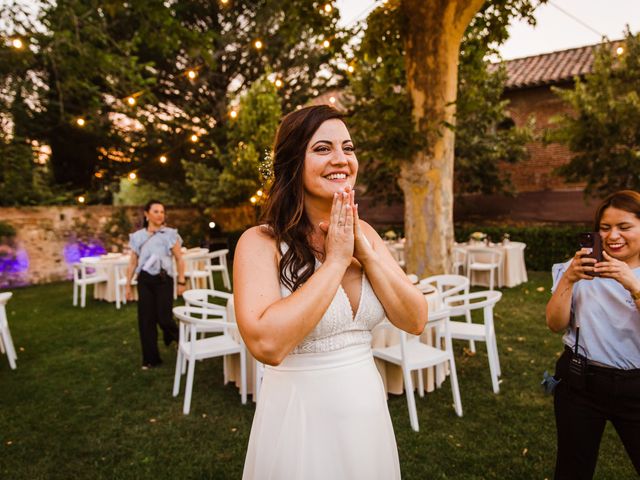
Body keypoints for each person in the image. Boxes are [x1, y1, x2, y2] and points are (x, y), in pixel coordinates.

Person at [234, 105, 428, 479]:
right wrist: (337, 261)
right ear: (293, 162)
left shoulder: (366, 233)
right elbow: (267, 345)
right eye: (322, 148)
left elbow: (416, 318)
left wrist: (364, 252)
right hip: (300, 424)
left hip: (368, 418)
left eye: (348, 148)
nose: (341, 159)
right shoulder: (260, 242)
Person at [546, 190, 640, 479]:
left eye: (624, 227)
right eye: (605, 227)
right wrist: (569, 279)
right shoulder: (574, 269)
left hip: (636, 388)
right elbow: (554, 323)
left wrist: (631, 284)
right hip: (581, 385)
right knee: (573, 470)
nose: (613, 236)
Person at [125, 200, 187, 369]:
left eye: (162, 211)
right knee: (146, 320)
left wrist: (182, 281)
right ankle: (150, 359)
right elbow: (132, 263)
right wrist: (127, 285)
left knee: (164, 318)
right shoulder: (137, 237)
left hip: (163, 280)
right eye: (156, 211)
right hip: (144, 280)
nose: (160, 214)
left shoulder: (170, 234)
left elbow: (180, 259)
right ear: (146, 214)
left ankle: (181, 340)